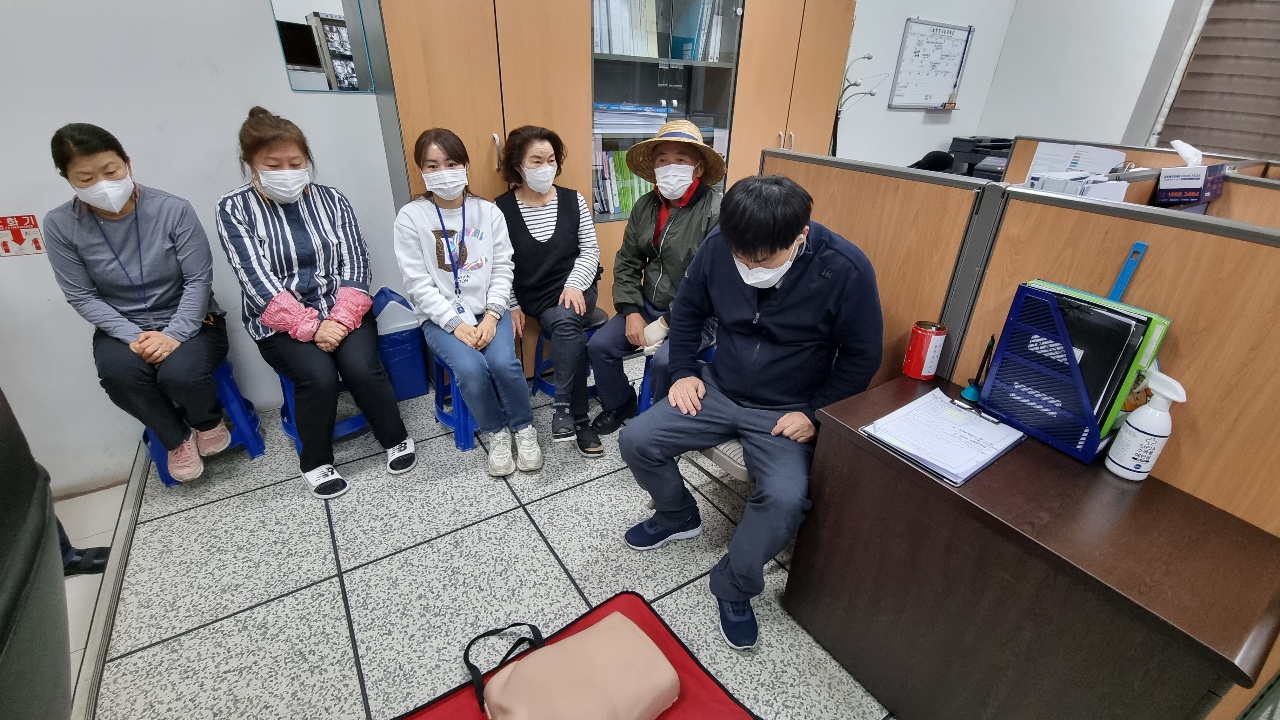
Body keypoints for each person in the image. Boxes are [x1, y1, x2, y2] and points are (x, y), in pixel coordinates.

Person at [618, 175, 883, 650]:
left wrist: (815, 412)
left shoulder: (846, 268)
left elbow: (862, 356)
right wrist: (684, 372)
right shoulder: (721, 244)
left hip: (787, 408)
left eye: (762, 260)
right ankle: (678, 515)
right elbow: (688, 311)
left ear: (799, 237)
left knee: (785, 498)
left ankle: (734, 583)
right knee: (636, 440)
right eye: (741, 257)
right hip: (719, 388)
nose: (749, 267)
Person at [216, 107, 415, 500]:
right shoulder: (234, 208)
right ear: (251, 164)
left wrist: (339, 319)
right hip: (279, 321)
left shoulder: (332, 200)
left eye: (295, 163)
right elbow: (254, 277)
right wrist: (310, 326)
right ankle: (315, 460)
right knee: (318, 377)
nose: (287, 172)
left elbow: (356, 261)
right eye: (273, 164)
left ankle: (395, 438)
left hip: (344, 309)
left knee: (363, 368)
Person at [44, 123, 230, 483]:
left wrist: (173, 335)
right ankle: (176, 437)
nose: (102, 184)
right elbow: (81, 295)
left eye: (110, 171)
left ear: (127, 163)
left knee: (180, 372)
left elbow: (198, 279)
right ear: (68, 180)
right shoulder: (59, 225)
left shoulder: (172, 209)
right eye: (86, 179)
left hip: (192, 319)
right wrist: (136, 337)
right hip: (122, 328)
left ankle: (207, 420)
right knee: (118, 375)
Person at [392, 128, 543, 476]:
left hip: (489, 311)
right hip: (440, 318)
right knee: (472, 370)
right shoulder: (411, 217)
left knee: (504, 364)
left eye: (451, 163)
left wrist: (491, 315)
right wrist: (456, 324)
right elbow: (417, 283)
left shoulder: (488, 212)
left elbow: (503, 267)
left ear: (465, 166)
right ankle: (496, 433)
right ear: (421, 170)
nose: (443, 173)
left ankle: (524, 428)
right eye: (432, 166)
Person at [587, 120, 723, 435]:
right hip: (649, 304)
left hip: (698, 315)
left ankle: (660, 424)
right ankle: (620, 403)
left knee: (665, 362)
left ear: (699, 168)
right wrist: (631, 311)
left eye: (681, 159)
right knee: (600, 346)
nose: (670, 167)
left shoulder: (716, 211)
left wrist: (666, 323)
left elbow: (710, 281)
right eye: (663, 160)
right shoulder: (646, 205)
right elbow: (627, 260)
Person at [495, 125, 604, 458]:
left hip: (578, 286)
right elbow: (501, 264)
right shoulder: (501, 209)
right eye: (536, 160)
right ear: (518, 166)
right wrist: (512, 304)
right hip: (536, 295)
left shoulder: (573, 200)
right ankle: (576, 417)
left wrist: (574, 284)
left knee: (566, 319)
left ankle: (567, 411)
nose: (546, 167)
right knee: (567, 325)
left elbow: (590, 251)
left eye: (551, 160)